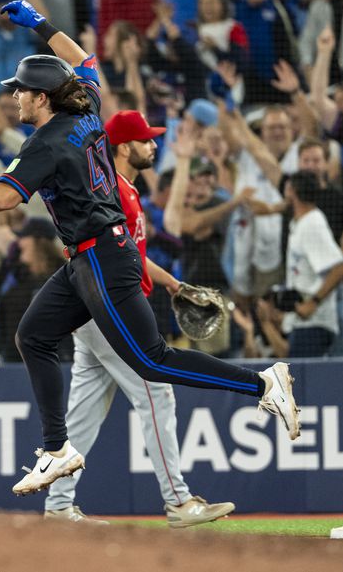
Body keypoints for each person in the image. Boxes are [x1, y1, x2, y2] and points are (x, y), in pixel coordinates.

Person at [0, 0, 300, 498]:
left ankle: (263, 386)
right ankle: (57, 449)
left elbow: (2, 198)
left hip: (104, 257)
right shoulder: (86, 108)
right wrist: (41, 23)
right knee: (34, 336)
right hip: (90, 255)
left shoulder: (45, 143)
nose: (13, 98)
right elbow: (86, 61)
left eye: (19, 90)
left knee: (152, 361)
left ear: (42, 97)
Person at [44, 111, 235, 527]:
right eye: (146, 140)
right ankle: (179, 502)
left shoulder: (119, 188)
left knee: (82, 413)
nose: (153, 146)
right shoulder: (113, 190)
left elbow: (133, 253)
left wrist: (173, 285)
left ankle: (58, 506)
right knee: (156, 392)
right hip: (109, 307)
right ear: (125, 147)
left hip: (92, 309)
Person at [280, 171, 343, 357]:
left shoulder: (313, 223)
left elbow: (340, 267)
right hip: (303, 323)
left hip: (315, 323)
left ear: (292, 191)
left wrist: (313, 302)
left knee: (300, 383)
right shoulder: (300, 223)